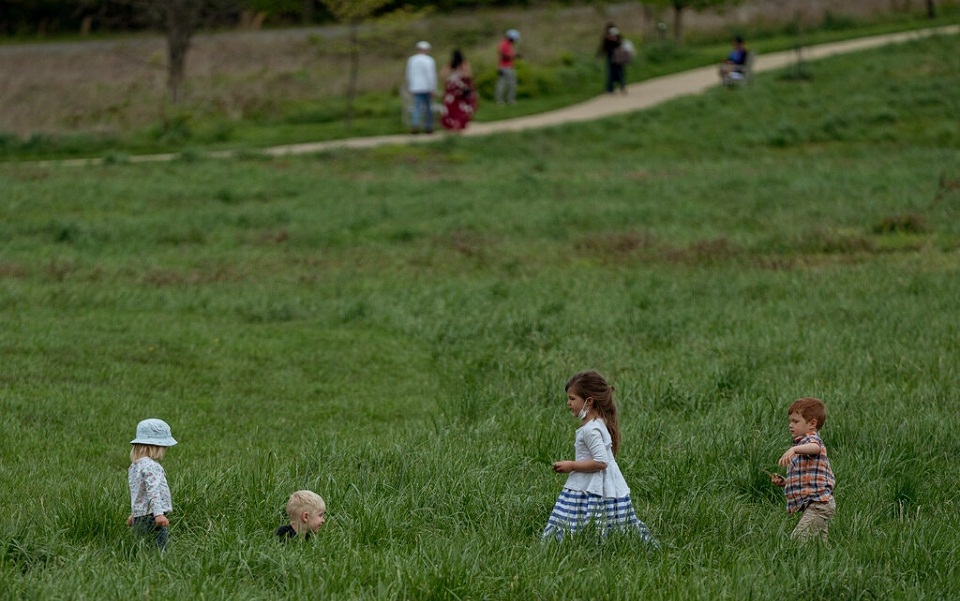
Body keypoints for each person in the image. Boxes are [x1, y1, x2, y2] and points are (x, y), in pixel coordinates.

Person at [542, 370, 658, 546]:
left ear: (589, 401)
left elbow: (601, 462)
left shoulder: (591, 429)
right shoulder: (597, 423)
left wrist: (571, 465)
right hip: (600, 482)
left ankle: (578, 543)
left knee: (576, 516)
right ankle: (595, 542)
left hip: (593, 482)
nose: (568, 403)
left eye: (572, 399)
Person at [770, 397, 836, 542]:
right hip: (817, 504)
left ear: (812, 424)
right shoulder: (802, 444)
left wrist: (794, 449)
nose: (790, 425)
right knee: (818, 545)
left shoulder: (812, 440)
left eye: (795, 421)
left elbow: (816, 448)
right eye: (790, 421)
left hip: (820, 505)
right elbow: (806, 479)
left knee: (798, 539)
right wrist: (785, 482)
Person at [126, 418, 177, 551]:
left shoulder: (135, 465)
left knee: (141, 546)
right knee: (160, 548)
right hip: (152, 515)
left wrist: (134, 513)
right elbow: (152, 491)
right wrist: (158, 514)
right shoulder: (151, 466)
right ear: (156, 447)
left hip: (140, 515)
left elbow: (137, 491)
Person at [440, 49, 477, 132]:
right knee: (461, 107)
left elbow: (443, 76)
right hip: (461, 88)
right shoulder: (464, 64)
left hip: (451, 88)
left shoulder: (450, 65)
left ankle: (451, 124)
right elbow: (469, 75)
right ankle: (459, 123)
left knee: (451, 106)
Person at [405, 41, 437, 134]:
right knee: (428, 107)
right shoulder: (429, 60)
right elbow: (431, 75)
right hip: (427, 87)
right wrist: (433, 88)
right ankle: (429, 126)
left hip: (415, 87)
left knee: (417, 107)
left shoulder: (412, 60)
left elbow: (409, 74)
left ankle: (415, 125)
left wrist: (410, 86)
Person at [600, 23, 627, 94]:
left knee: (616, 72)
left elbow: (620, 44)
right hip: (613, 56)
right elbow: (605, 47)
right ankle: (613, 87)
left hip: (616, 56)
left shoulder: (616, 37)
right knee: (615, 72)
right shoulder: (608, 38)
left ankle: (616, 87)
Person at [495, 29, 520, 106]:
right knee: (512, 84)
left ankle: (499, 101)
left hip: (502, 66)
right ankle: (510, 100)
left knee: (501, 84)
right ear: (511, 38)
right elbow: (504, 55)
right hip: (507, 67)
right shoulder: (505, 44)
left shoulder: (504, 44)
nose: (515, 41)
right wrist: (514, 55)